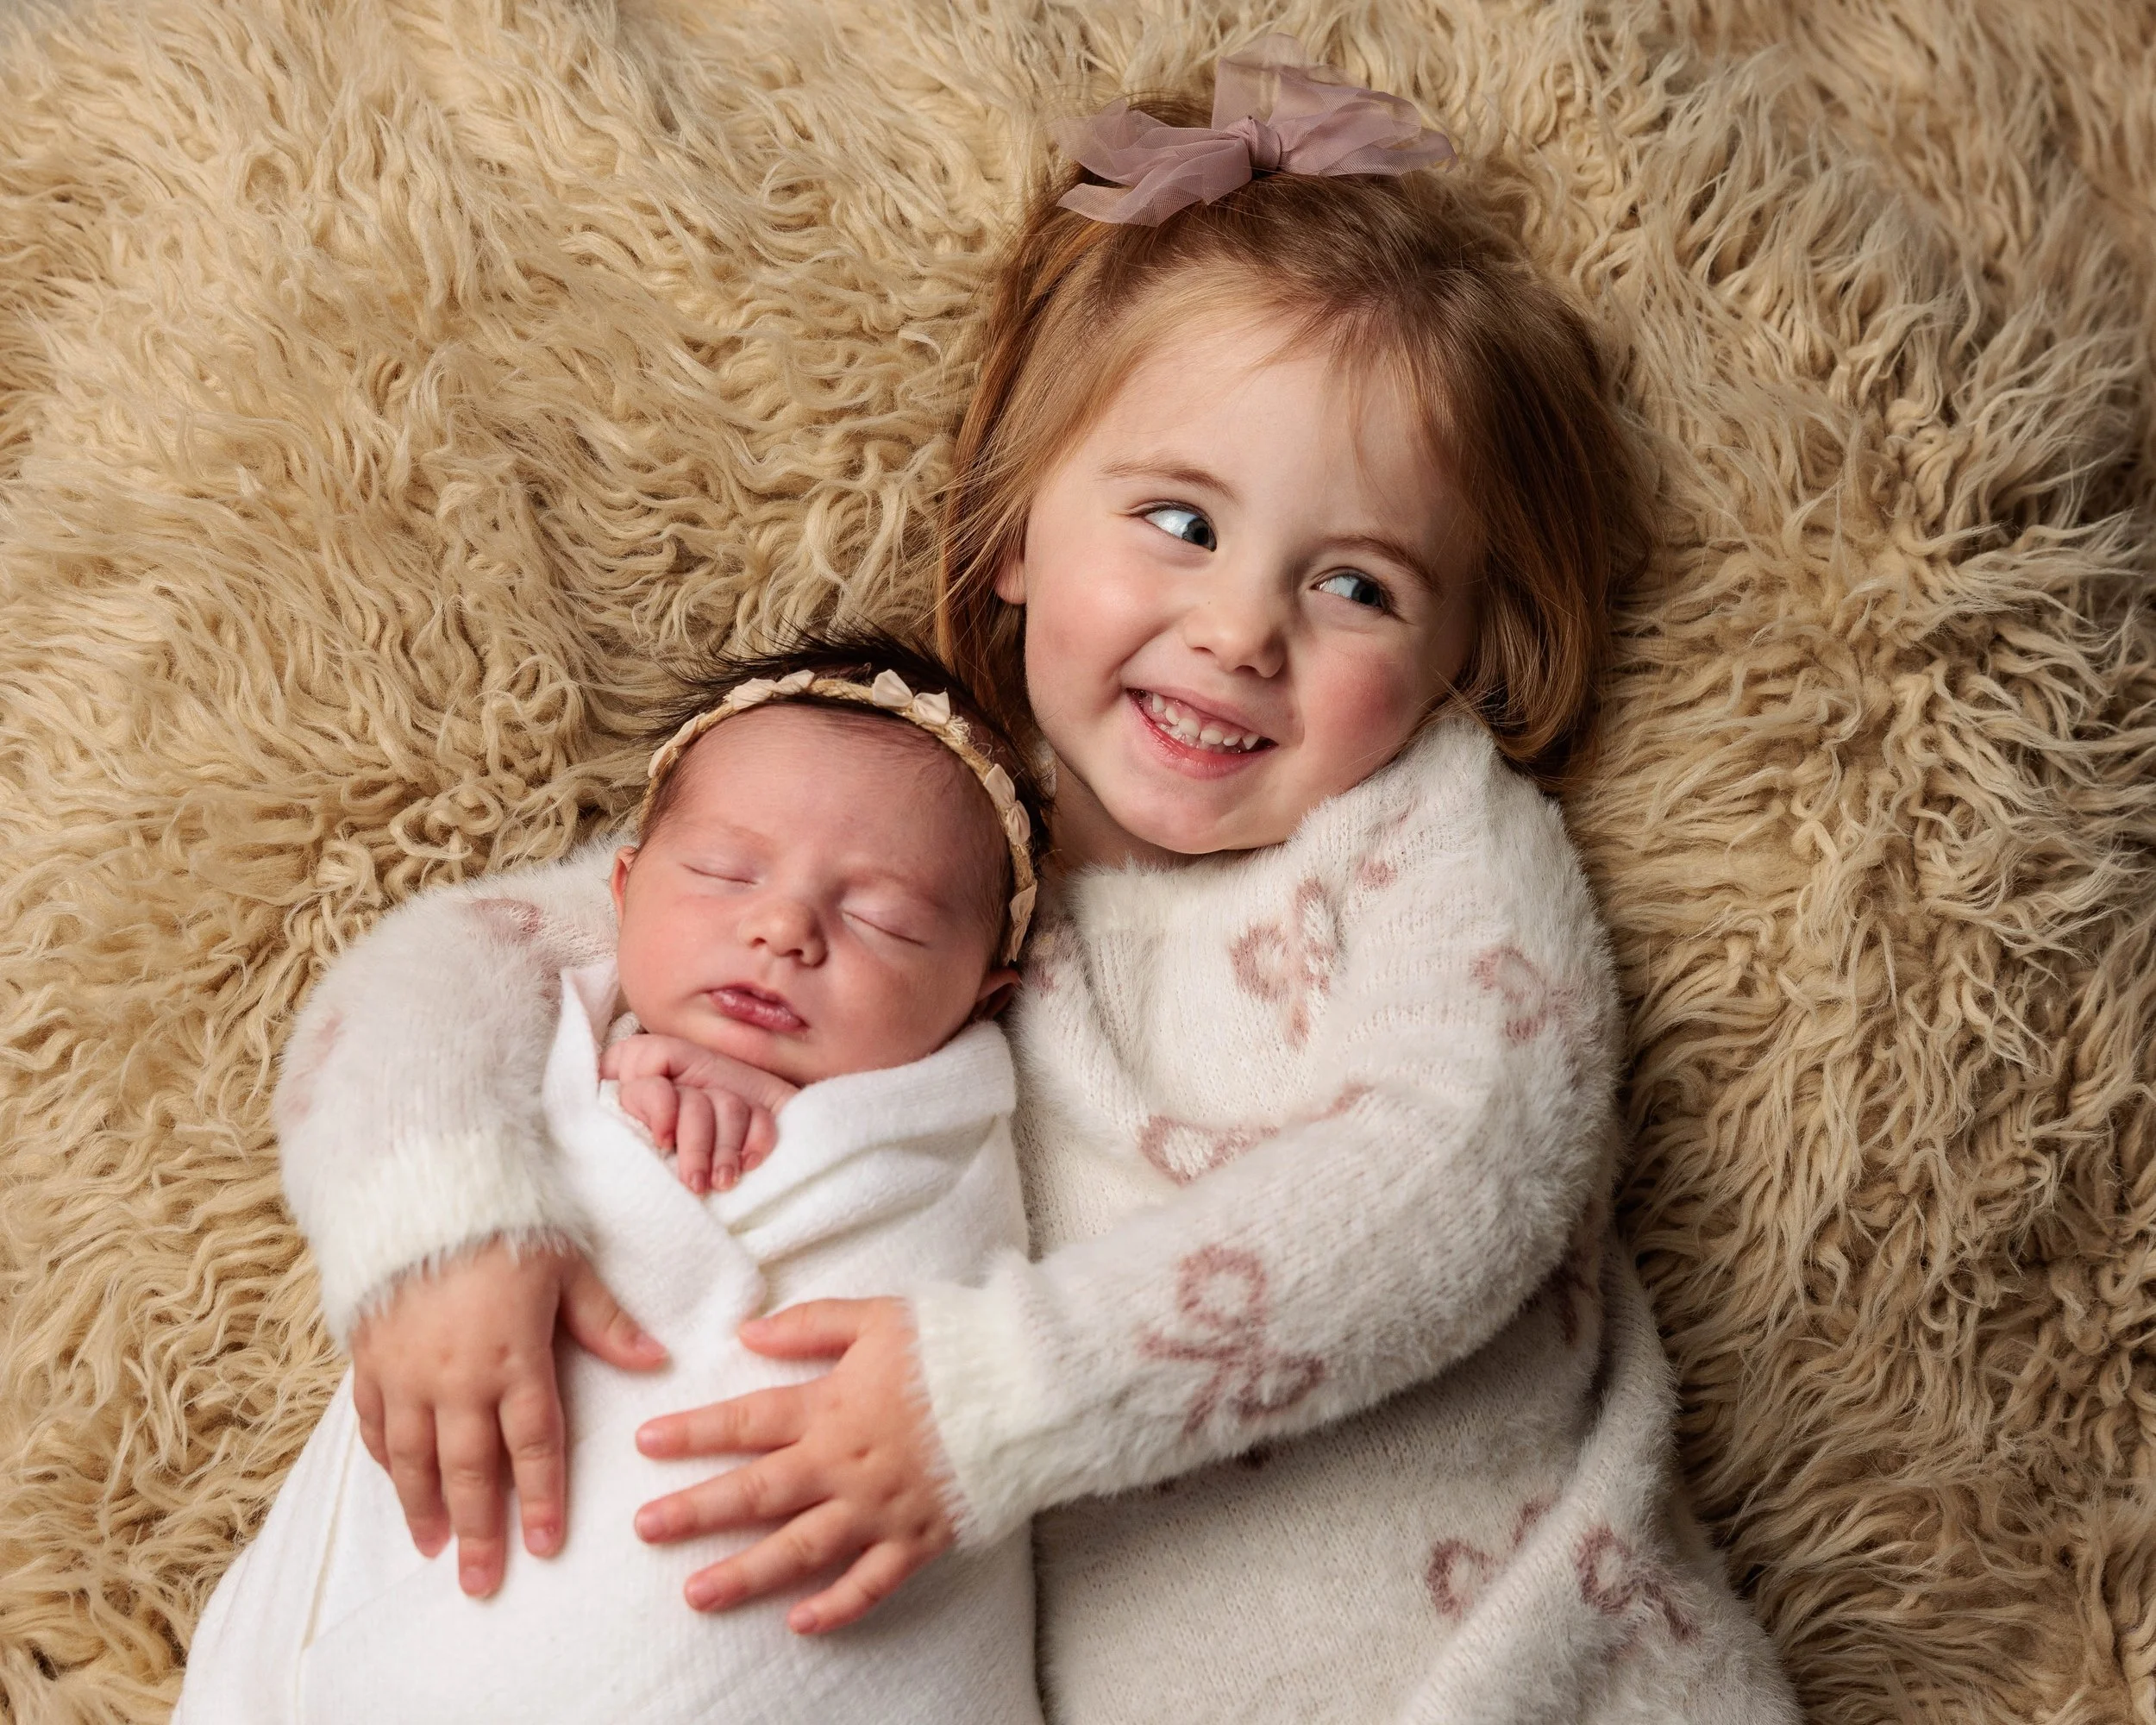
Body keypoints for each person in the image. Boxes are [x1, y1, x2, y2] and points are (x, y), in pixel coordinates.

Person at [254, 36, 1799, 1722]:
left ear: (1455, 651)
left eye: (1353, 584)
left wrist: (995, 1400)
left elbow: (1464, 1163)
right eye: (1180, 522)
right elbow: (443, 967)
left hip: (1523, 1655)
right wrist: (436, 1231)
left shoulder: (1418, 836)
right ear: (1016, 531)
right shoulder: (922, 821)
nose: (1236, 630)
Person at [176, 640, 1050, 1724]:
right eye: (727, 872)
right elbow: (387, 1076)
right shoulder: (544, 1045)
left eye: (885, 920)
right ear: (625, 890)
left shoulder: (940, 1146)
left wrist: (775, 1127)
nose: (783, 928)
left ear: (982, 998)